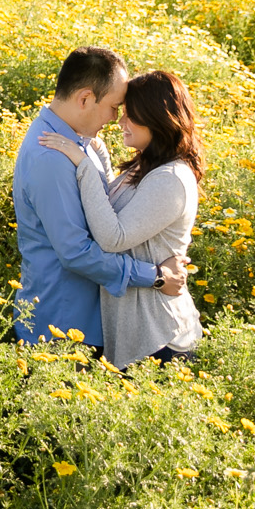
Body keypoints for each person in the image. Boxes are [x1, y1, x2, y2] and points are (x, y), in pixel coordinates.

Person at [11, 46, 186, 353]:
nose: (117, 119)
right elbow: (76, 252)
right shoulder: (50, 157)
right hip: (61, 326)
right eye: (114, 107)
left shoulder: (82, 143)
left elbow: (105, 214)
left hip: (90, 320)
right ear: (85, 99)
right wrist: (156, 276)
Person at [38, 68, 205, 368]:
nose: (120, 121)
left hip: (160, 337)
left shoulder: (171, 178)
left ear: (158, 118)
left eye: (131, 115)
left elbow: (113, 237)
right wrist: (94, 152)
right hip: (139, 335)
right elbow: (117, 204)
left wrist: (82, 165)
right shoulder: (147, 164)